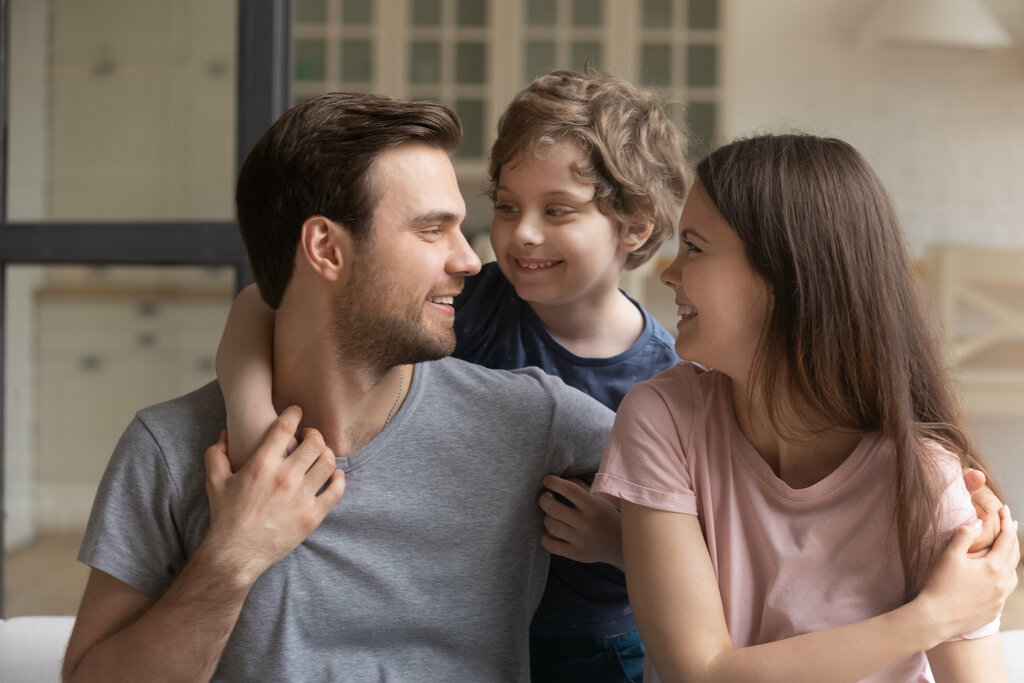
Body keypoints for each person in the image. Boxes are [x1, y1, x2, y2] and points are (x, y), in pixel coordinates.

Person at [62, 92, 616, 682]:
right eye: (433, 230)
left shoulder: (531, 421)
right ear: (326, 248)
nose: (469, 261)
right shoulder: (171, 449)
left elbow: (719, 499)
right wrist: (234, 555)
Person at [214, 68, 689, 683]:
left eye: (558, 210)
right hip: (460, 627)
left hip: (595, 648)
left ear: (635, 226)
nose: (522, 234)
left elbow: (710, 543)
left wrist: (620, 542)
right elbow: (264, 302)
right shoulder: (464, 302)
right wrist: (251, 417)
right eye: (509, 206)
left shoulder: (669, 382)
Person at [592, 133, 1021, 682]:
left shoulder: (926, 481)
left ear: (785, 276)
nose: (670, 273)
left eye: (695, 247)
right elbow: (696, 674)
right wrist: (928, 619)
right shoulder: (663, 420)